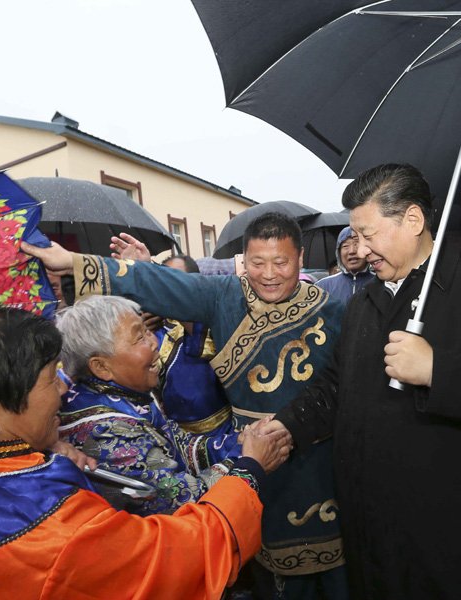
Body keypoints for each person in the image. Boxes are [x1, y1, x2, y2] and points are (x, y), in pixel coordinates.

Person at [266, 164, 461, 599]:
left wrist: (438, 370)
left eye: (368, 234)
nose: (360, 249)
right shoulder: (364, 303)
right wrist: (287, 426)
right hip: (373, 535)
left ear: (413, 220)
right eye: (355, 236)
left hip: (456, 542)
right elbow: (336, 386)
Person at [23, 212, 349, 600]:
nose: (269, 274)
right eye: (258, 263)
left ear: (299, 258)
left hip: (319, 456)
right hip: (251, 455)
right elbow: (163, 282)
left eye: (281, 262)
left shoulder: (335, 310)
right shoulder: (224, 296)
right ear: (244, 261)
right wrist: (78, 262)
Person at [0, 303, 289, 599]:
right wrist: (248, 469)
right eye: (51, 378)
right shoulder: (54, 530)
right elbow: (186, 556)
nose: (66, 390)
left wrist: (40, 459)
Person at [55, 295, 242, 515]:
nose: (154, 342)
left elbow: (177, 443)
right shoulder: (106, 432)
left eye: (147, 330)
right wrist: (249, 460)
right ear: (101, 367)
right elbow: (181, 500)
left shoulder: (126, 390)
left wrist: (240, 443)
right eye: (139, 338)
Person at [155, 254, 233, 436]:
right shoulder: (154, 326)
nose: (170, 287)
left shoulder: (208, 322)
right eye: (164, 280)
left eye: (177, 280)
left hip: (222, 432)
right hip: (174, 437)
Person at [315, 226, 375, 304]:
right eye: (345, 246)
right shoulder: (322, 286)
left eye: (356, 244)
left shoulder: (382, 283)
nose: (352, 251)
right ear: (338, 253)